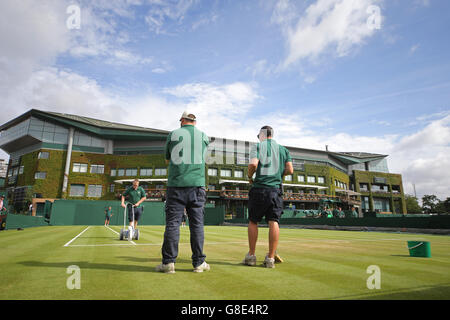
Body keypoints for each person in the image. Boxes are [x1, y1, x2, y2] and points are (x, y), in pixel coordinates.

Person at [156, 111, 210, 274]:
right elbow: (202, 157)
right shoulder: (203, 136)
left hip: (176, 185)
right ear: (195, 121)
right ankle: (199, 263)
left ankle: (168, 263)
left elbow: (166, 160)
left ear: (182, 120)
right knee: (197, 225)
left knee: (173, 224)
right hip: (197, 185)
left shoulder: (173, 134)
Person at [243, 126, 293, 268]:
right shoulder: (283, 150)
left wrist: (249, 176)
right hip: (275, 190)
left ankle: (251, 256)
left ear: (262, 135)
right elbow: (290, 169)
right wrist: (278, 174)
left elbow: (253, 164)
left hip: (259, 188)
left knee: (253, 221)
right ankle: (270, 258)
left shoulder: (258, 146)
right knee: (273, 221)